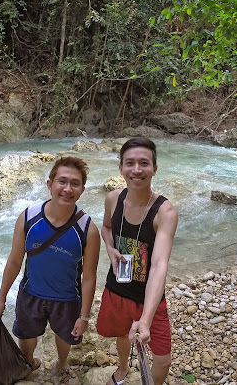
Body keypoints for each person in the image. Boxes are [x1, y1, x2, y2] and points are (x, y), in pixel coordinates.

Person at [0, 156, 100, 374]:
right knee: (26, 336)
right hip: (31, 293)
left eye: (75, 183)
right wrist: (2, 297)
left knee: (64, 336)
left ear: (82, 190)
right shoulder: (29, 217)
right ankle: (29, 363)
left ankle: (62, 364)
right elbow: (15, 261)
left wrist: (84, 316)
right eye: (62, 181)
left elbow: (89, 277)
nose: (67, 189)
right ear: (50, 185)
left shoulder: (88, 229)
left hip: (68, 298)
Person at [96, 137, 178, 385]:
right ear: (121, 168)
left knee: (163, 358)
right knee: (122, 335)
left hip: (149, 298)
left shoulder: (165, 212)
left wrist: (146, 319)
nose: (137, 170)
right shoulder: (113, 199)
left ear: (155, 168)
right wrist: (110, 248)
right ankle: (122, 371)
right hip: (117, 288)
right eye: (129, 163)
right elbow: (106, 227)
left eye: (144, 163)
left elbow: (159, 265)